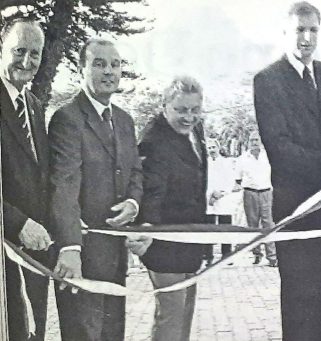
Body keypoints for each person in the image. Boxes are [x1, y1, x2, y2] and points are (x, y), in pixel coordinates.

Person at [253, 2, 321, 339]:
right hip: (296, 213)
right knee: (299, 306)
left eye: (313, 30)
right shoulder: (267, 80)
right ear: (286, 32)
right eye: (300, 30)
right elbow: (278, 147)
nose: (307, 38)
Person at [48, 38, 143, 341]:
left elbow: (135, 173)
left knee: (114, 335)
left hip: (116, 258)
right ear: (81, 69)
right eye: (99, 63)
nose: (109, 72)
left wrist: (132, 203)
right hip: (82, 259)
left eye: (115, 65)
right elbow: (63, 185)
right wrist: (70, 248)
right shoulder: (67, 119)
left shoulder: (126, 121)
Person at [127, 76, 208, 341]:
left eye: (195, 110)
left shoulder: (195, 129)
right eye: (181, 110)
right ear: (165, 105)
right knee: (171, 319)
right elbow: (152, 187)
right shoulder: (154, 139)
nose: (189, 117)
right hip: (164, 243)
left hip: (189, 240)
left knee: (183, 315)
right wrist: (148, 226)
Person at [0, 19, 53, 341]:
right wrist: (18, 222)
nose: (27, 61)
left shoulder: (33, 105)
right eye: (19, 51)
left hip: (33, 254)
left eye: (35, 54)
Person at [236, 131, 277, 267]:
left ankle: (272, 257)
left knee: (268, 224)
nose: (254, 143)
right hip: (250, 193)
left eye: (257, 140)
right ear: (248, 141)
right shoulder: (242, 159)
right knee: (252, 225)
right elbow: (238, 178)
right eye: (252, 140)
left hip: (266, 192)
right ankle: (257, 253)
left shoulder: (269, 156)